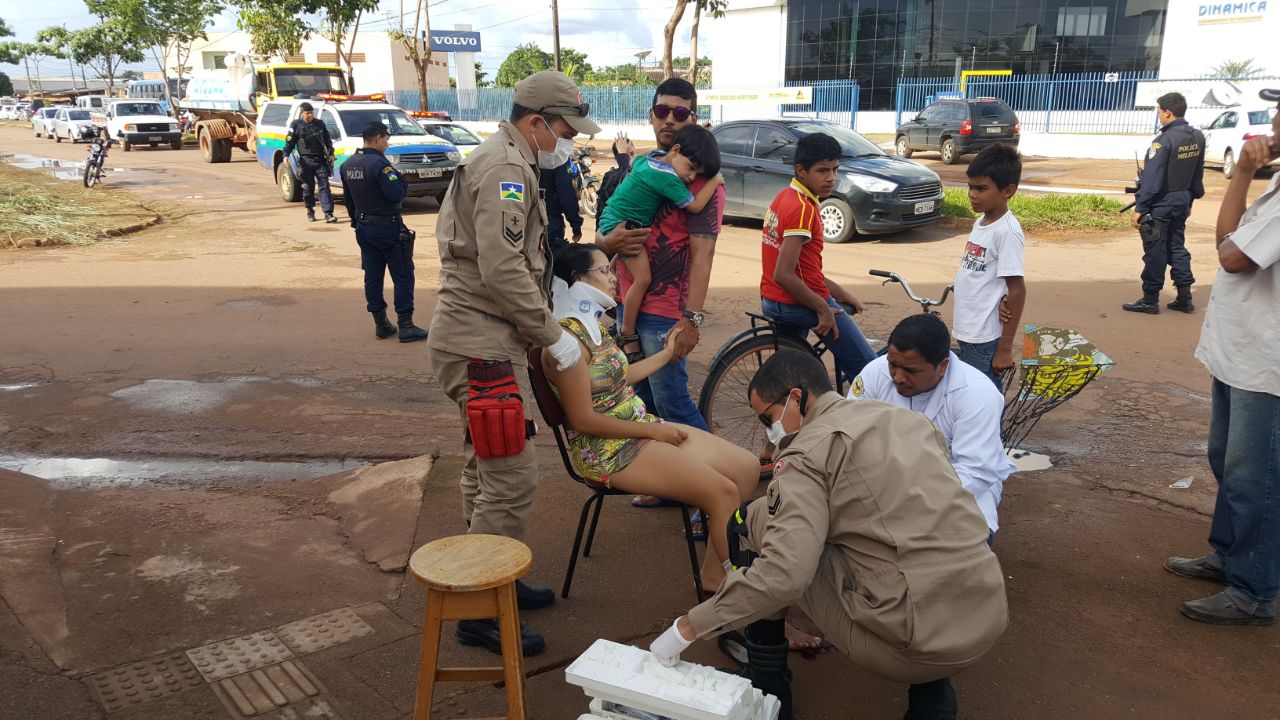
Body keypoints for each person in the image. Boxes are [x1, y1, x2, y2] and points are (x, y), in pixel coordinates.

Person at [649, 350, 1007, 720]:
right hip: (984, 614)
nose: (768, 432)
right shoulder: (907, 421)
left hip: (911, 647)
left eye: (767, 417)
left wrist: (687, 628)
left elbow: (785, 575)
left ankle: (769, 685)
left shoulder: (806, 453)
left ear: (797, 397)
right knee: (909, 536)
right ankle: (933, 694)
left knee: (753, 519)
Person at [427, 70, 601, 657]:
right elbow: (502, 271)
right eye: (564, 130)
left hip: (482, 339)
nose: (568, 141)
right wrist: (553, 336)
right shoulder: (505, 168)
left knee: (486, 462)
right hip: (478, 343)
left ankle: (494, 570)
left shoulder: (511, 160)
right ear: (536, 123)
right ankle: (478, 610)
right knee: (511, 473)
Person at [543, 243, 758, 591]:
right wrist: (656, 434)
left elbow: (619, 376)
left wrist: (668, 354)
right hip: (606, 450)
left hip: (638, 428)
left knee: (746, 468)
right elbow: (582, 420)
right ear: (577, 279)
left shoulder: (593, 327)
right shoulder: (566, 342)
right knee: (722, 493)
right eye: (605, 271)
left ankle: (714, 574)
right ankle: (747, 596)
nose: (614, 278)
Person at [1165, 87, 1280, 627]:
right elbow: (1230, 240)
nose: (1272, 126)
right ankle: (1230, 555)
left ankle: (1254, 588)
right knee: (1227, 464)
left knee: (1255, 479)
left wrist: (1238, 177)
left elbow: (1230, 254)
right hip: (1243, 355)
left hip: (1267, 366)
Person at [847, 313, 1014, 538]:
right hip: (885, 490)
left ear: (943, 366)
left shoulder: (977, 394)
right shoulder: (874, 374)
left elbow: (975, 472)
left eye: (911, 371)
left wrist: (909, 503)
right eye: (893, 365)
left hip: (955, 497)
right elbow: (850, 434)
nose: (897, 377)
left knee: (954, 561)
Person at [597, 125, 724, 361]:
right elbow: (695, 206)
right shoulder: (668, 179)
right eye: (692, 169)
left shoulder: (648, 160)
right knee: (643, 278)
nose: (691, 177)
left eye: (699, 175)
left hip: (611, 219)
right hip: (623, 226)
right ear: (675, 150)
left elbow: (632, 163)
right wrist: (714, 180)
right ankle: (626, 332)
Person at [760, 132, 875, 383]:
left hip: (774, 300)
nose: (831, 178)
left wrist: (842, 294)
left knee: (794, 376)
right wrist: (824, 308)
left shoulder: (785, 197)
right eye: (823, 171)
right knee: (869, 372)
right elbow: (784, 274)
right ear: (802, 171)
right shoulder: (802, 208)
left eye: (835, 169)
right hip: (797, 303)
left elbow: (806, 269)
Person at [339, 122, 428, 343]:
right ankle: (406, 325)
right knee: (403, 274)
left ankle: (381, 323)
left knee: (373, 276)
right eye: (386, 139)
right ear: (378, 138)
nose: (387, 144)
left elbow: (348, 201)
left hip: (364, 226)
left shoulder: (348, 164)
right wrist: (402, 181)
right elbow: (395, 194)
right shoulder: (381, 165)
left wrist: (356, 222)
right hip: (388, 227)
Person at [1123, 91, 1206, 315]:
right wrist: (1190, 200)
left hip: (1160, 205)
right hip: (1181, 203)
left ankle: (1149, 299)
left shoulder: (1163, 141)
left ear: (1168, 113)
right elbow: (1197, 175)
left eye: (1159, 111)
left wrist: (1140, 208)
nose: (1159, 115)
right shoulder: (1197, 136)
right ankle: (1184, 297)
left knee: (1155, 250)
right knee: (1177, 247)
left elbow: (1152, 179)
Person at [953, 143, 1026, 389]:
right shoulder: (981, 223)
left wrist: (1005, 347)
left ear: (1008, 191)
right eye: (970, 187)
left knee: (981, 397)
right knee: (968, 393)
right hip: (968, 329)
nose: (973, 194)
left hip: (984, 336)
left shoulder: (1006, 232)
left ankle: (994, 429)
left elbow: (1017, 289)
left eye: (981, 188)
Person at [282, 101, 338, 224]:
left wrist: (331, 154)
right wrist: (286, 155)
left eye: (311, 113)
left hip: (320, 160)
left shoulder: (319, 124)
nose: (310, 115)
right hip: (305, 161)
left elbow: (328, 141)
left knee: (324, 187)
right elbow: (289, 143)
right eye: (307, 113)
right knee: (308, 187)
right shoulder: (296, 125)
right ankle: (310, 210)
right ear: (302, 113)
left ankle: (328, 213)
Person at [539, 156, 583, 253]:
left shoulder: (519, 152)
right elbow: (567, 194)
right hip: (549, 222)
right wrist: (576, 227)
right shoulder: (557, 157)